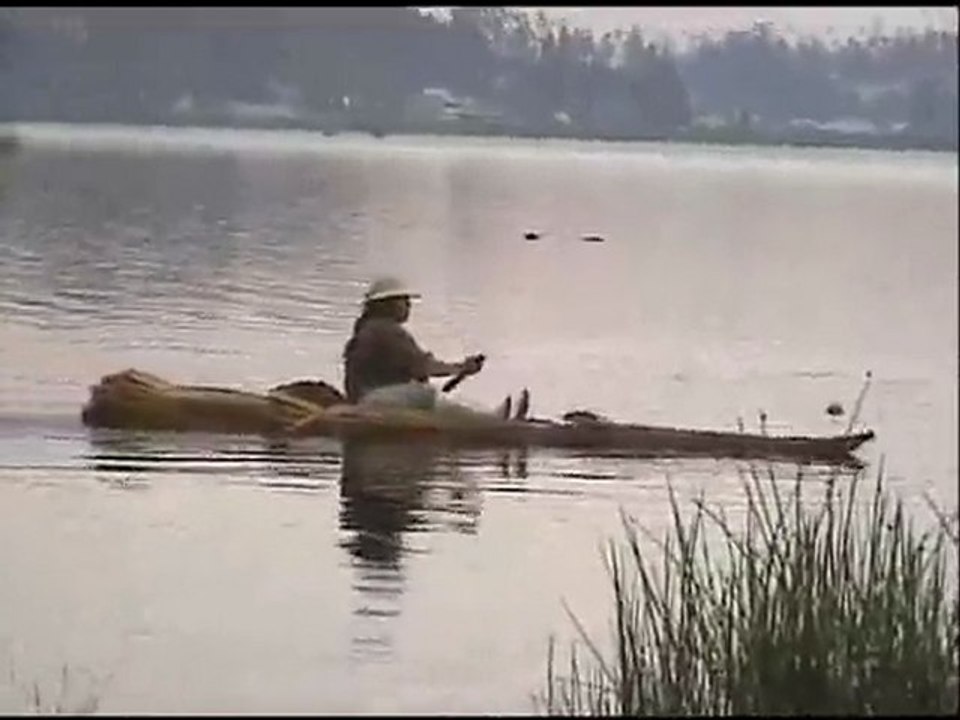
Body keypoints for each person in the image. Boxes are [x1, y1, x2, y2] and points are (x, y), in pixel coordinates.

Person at [343, 276, 529, 420]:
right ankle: (491, 419)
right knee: (426, 393)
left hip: (370, 396)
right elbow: (424, 366)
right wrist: (460, 368)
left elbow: (416, 369)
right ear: (387, 304)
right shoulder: (386, 331)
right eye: (404, 301)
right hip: (372, 400)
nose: (408, 306)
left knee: (423, 391)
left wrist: (460, 369)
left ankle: (487, 416)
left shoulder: (372, 328)